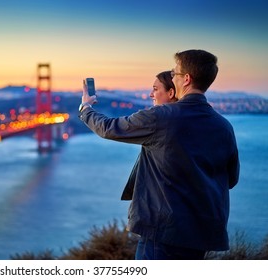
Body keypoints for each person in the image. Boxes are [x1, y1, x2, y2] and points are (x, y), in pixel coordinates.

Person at [78, 49, 240, 260]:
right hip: (202, 234)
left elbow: (110, 128)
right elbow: (231, 179)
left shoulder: (162, 117)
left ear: (187, 79)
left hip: (164, 233)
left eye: (175, 74)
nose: (172, 77)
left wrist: (86, 108)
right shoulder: (224, 126)